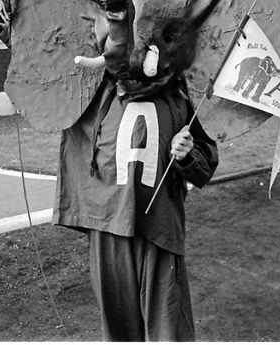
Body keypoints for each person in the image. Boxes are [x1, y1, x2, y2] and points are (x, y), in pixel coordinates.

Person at [54, 73, 218, 341]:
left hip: (160, 227)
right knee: (119, 329)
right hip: (107, 222)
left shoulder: (180, 94)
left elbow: (205, 163)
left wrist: (187, 155)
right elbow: (49, 73)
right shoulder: (92, 88)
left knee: (168, 328)